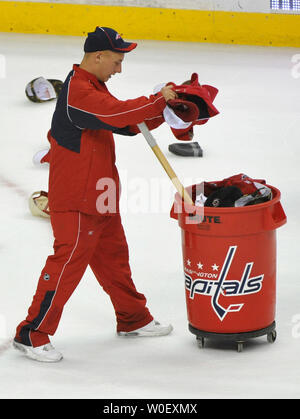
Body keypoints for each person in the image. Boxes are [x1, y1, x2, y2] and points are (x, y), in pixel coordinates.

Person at [13, 26, 176, 363]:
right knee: (67, 264)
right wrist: (156, 101)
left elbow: (127, 124)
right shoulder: (78, 92)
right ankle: (31, 334)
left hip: (101, 195)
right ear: (98, 56)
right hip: (77, 199)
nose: (119, 70)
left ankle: (133, 318)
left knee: (115, 261)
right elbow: (120, 114)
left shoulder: (94, 87)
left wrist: (164, 111)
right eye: (116, 62)